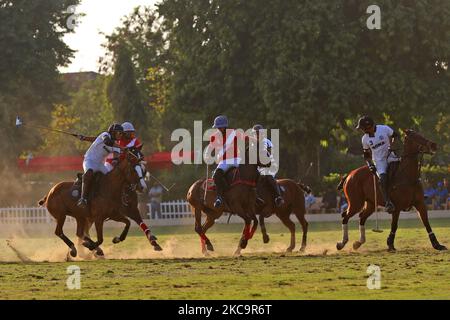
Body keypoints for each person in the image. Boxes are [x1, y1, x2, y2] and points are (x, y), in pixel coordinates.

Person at [356, 115, 400, 213]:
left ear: (369, 127)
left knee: (405, 167)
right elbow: (366, 155)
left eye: (363, 128)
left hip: (391, 155)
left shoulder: (384, 128)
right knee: (383, 178)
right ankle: (388, 202)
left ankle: (416, 190)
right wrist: (370, 164)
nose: (362, 130)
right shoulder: (365, 139)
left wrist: (392, 145)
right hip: (379, 161)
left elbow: (395, 136)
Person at [76, 123, 124, 208]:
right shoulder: (105, 134)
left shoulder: (117, 145)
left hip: (100, 164)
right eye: (119, 133)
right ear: (113, 132)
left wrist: (116, 160)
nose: (121, 135)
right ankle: (83, 199)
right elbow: (107, 141)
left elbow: (116, 155)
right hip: (89, 160)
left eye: (122, 133)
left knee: (111, 178)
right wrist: (122, 147)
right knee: (89, 172)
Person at [204, 115, 246, 208]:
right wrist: (207, 154)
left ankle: (256, 194)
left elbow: (247, 138)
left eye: (220, 127)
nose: (219, 128)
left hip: (236, 159)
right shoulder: (214, 137)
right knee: (216, 175)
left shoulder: (234, 133)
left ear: (225, 126)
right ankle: (219, 197)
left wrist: (257, 141)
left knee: (249, 172)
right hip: (224, 161)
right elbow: (210, 147)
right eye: (217, 127)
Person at [252, 124, 284, 207]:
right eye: (255, 133)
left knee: (268, 177)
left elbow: (269, 156)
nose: (257, 135)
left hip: (270, 165)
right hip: (259, 167)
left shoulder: (267, 142)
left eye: (258, 133)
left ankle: (279, 197)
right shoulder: (253, 144)